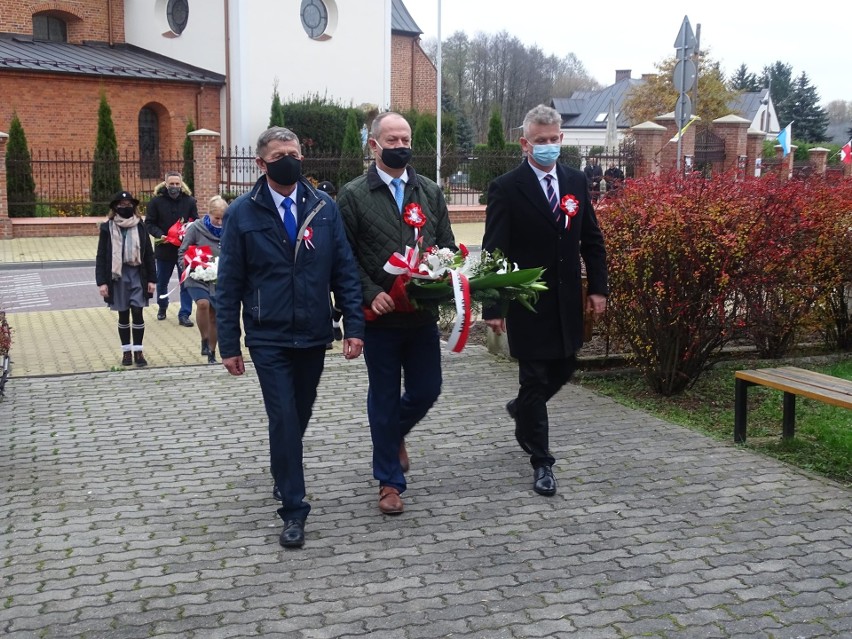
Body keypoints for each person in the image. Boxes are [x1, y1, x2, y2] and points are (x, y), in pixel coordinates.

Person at [216, 126, 365, 549]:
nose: (291, 159)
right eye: (281, 154)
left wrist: (354, 325)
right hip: (268, 336)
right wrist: (229, 344)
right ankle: (294, 510)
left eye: (295, 152)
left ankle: (282, 470)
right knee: (283, 417)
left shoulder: (323, 207)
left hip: (315, 333)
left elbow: (344, 271)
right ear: (262, 164)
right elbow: (229, 283)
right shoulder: (243, 213)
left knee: (297, 415)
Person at [482, 104, 608, 497]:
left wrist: (599, 289)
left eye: (554, 140)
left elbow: (592, 239)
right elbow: (494, 251)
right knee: (535, 379)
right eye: (541, 141)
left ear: (562, 139)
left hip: (568, 300)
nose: (549, 147)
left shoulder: (574, 181)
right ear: (525, 143)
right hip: (528, 302)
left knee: (566, 365)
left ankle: (521, 410)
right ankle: (542, 462)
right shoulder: (507, 187)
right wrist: (494, 307)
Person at [338, 112, 457, 516]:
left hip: (420, 315)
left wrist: (437, 278)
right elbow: (343, 258)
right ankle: (389, 482)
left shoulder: (429, 191)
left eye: (405, 139)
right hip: (381, 320)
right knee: (384, 398)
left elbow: (447, 247)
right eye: (391, 140)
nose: (400, 146)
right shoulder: (352, 195)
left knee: (427, 390)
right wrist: (371, 294)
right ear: (374, 146)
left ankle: (394, 433)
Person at [95, 191, 157, 367]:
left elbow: (149, 254)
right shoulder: (107, 228)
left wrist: (152, 280)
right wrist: (102, 282)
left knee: (137, 311)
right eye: (121, 204)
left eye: (129, 204)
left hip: (138, 273)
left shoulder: (140, 226)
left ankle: (138, 351)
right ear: (115, 208)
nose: (125, 207)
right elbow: (101, 256)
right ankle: (126, 352)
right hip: (117, 275)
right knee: (123, 314)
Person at [145, 171, 199, 327]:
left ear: (181, 184)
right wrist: (160, 235)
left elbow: (195, 221)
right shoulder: (156, 202)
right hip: (164, 248)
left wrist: (188, 232)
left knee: (185, 281)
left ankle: (185, 313)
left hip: (184, 249)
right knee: (162, 281)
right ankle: (162, 307)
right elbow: (149, 223)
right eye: (171, 184)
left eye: (177, 184)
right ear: (166, 184)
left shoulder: (189, 201)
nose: (174, 187)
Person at [178, 195, 227, 364]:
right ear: (209, 214)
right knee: (203, 304)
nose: (220, 222)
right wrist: (190, 267)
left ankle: (212, 352)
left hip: (219, 279)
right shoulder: (196, 228)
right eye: (217, 218)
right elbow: (183, 252)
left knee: (215, 316)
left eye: (223, 218)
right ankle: (204, 340)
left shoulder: (230, 229)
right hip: (197, 276)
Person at [317, 180, 344, 347]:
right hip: (323, 261)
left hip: (338, 261)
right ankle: (327, 332)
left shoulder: (337, 210)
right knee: (323, 297)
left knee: (342, 299)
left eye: (331, 195)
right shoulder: (312, 211)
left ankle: (336, 320)